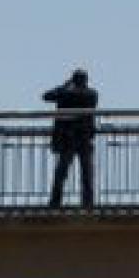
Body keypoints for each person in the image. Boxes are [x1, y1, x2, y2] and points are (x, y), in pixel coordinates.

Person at [43, 68, 99, 208]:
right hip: (84, 138)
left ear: (73, 80)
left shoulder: (65, 93)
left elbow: (46, 96)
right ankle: (88, 202)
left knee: (61, 173)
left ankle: (55, 201)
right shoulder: (92, 94)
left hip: (68, 138)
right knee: (87, 173)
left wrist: (64, 85)